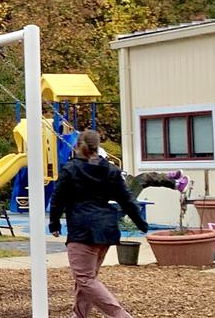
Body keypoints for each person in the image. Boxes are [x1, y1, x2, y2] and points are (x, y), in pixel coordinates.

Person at [49, 130, 148, 318]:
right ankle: (79, 316)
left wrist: (54, 224)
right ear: (98, 147)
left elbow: (57, 199)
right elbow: (126, 198)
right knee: (86, 279)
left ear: (77, 146)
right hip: (106, 231)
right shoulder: (110, 170)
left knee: (85, 279)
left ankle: (120, 315)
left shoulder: (70, 169)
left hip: (82, 231)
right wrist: (141, 222)